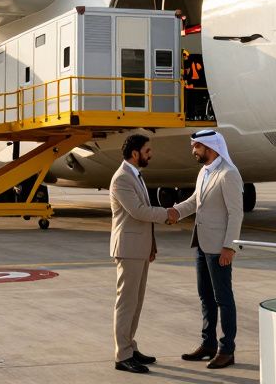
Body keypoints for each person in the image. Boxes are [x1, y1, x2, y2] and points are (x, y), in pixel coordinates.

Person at [170, 128, 243, 370]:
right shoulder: (204, 172)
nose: (193, 151)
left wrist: (229, 247)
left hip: (219, 247)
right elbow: (195, 202)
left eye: (196, 147)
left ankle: (227, 349)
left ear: (210, 148)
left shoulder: (228, 174)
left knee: (224, 298)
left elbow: (236, 214)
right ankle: (208, 344)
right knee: (206, 297)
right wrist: (174, 213)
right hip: (201, 245)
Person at [109, 134, 169, 374]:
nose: (150, 154)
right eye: (147, 150)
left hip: (140, 248)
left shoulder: (135, 175)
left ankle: (130, 347)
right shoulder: (122, 179)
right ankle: (122, 355)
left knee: (136, 302)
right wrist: (168, 213)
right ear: (135, 153)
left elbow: (142, 217)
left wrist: (151, 244)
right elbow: (138, 211)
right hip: (128, 249)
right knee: (126, 303)